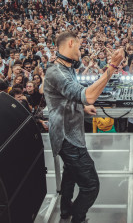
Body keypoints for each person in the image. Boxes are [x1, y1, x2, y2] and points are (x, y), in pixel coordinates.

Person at [44, 31, 123, 223]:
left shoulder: (66, 66)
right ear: (71, 43)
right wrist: (112, 67)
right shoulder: (58, 72)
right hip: (67, 137)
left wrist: (83, 106)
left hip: (69, 132)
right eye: (79, 47)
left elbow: (70, 96)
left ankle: (65, 212)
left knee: (70, 176)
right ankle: (77, 219)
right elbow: (88, 95)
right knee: (91, 186)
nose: (81, 52)